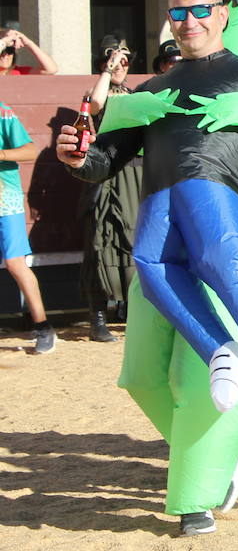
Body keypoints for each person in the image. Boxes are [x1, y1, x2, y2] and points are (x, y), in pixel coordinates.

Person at [58, 0, 238, 412]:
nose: (189, 20)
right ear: (169, 19)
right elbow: (108, 157)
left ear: (222, 13)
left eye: (200, 9)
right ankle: (220, 351)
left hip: (213, 183)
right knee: (150, 262)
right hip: (161, 192)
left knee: (218, 248)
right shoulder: (153, 88)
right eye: (179, 12)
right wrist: (79, 159)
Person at [80, 36, 141, 341]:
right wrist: (106, 71)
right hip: (108, 175)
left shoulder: (133, 94)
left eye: (125, 60)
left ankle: (130, 310)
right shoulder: (97, 92)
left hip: (136, 177)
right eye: (114, 59)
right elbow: (95, 105)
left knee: (133, 241)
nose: (120, 65)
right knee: (101, 240)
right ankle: (97, 317)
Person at [0, 98, 54, 352]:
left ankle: (43, 325)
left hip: (4, 199)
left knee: (15, 262)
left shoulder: (2, 111)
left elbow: (30, 150)